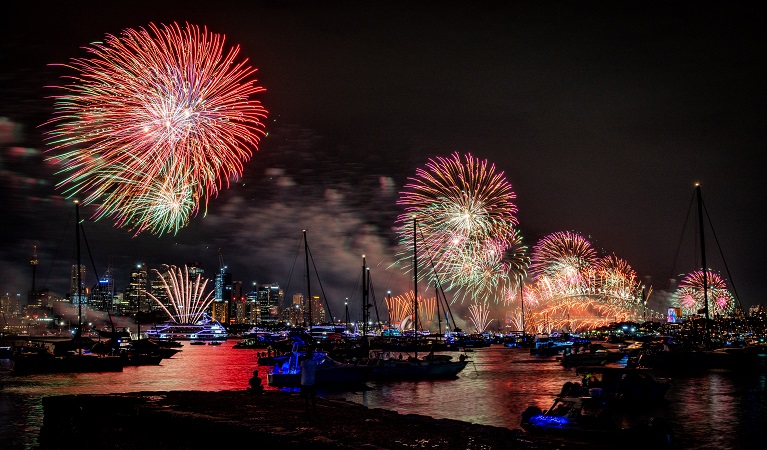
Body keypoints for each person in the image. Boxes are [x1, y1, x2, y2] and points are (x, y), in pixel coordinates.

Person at [300, 347, 318, 416]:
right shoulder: (314, 363)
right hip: (312, 381)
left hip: (304, 381)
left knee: (306, 397)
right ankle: (314, 410)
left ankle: (307, 410)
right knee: (313, 397)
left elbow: (301, 366)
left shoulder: (304, 363)